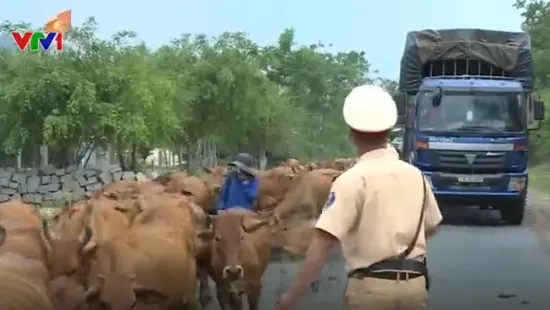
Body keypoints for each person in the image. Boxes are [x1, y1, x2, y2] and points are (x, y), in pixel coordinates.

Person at [275, 85, 443, 310]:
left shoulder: (352, 179)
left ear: (352, 133)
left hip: (370, 289)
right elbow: (432, 225)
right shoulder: (416, 175)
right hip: (415, 287)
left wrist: (291, 298)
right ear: (390, 130)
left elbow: (323, 244)